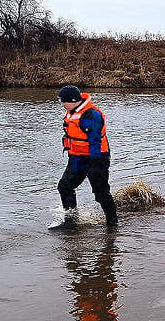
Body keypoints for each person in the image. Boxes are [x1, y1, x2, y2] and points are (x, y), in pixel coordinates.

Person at [50, 85, 118, 231]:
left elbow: (95, 142)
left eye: (63, 101)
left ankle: (112, 224)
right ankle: (71, 222)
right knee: (64, 187)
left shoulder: (91, 115)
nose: (61, 104)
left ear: (73, 101)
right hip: (77, 157)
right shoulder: (73, 112)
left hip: (97, 158)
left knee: (101, 193)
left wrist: (94, 166)